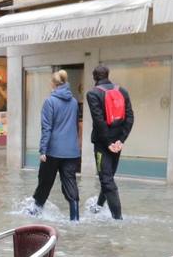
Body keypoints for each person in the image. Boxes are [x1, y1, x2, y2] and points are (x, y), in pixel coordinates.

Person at [28, 70, 82, 221]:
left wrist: (43, 149)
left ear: (53, 84)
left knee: (45, 182)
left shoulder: (50, 101)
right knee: (70, 183)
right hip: (71, 152)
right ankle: (75, 219)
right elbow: (76, 126)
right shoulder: (73, 102)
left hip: (52, 151)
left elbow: (47, 128)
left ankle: (35, 214)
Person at [85, 64, 133, 220]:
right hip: (117, 143)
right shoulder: (122, 91)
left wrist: (107, 143)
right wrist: (121, 140)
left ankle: (118, 218)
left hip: (102, 144)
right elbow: (130, 117)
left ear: (94, 77)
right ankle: (98, 206)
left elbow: (98, 121)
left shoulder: (92, 94)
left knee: (106, 179)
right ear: (108, 74)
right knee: (109, 177)